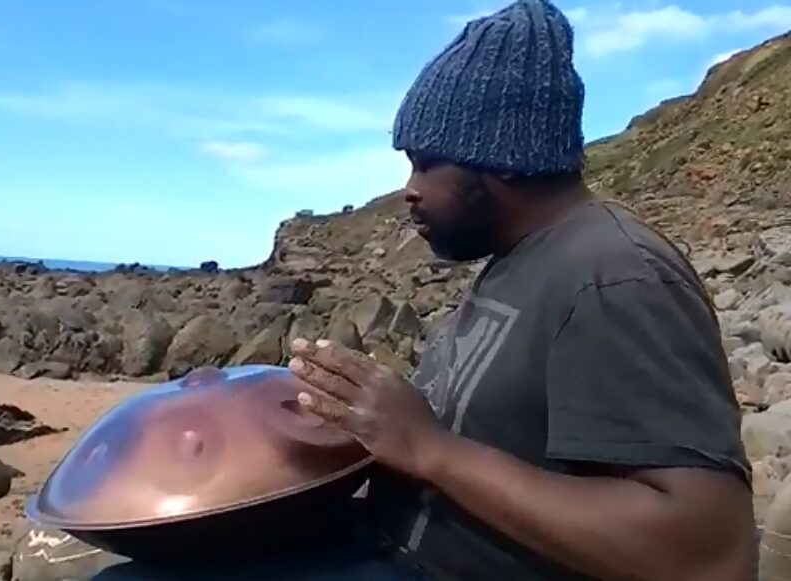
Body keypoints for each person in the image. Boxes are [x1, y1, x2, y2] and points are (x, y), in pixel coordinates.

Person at [286, 0, 757, 579]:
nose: (409, 190)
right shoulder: (522, 257)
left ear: (503, 157)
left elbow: (709, 554)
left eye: (426, 163)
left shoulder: (616, 277)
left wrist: (431, 450)